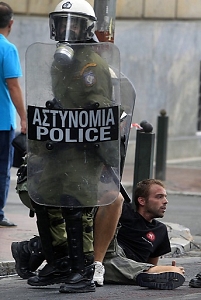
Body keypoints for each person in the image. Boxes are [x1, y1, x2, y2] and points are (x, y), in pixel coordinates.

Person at [18, 0, 122, 294]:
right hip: (57, 143)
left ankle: (81, 269)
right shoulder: (58, 58)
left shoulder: (93, 65)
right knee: (43, 197)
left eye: (74, 23)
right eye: (61, 22)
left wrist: (104, 155)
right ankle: (57, 262)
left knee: (72, 202)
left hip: (81, 146)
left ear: (86, 27)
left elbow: (100, 110)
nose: (67, 29)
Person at [102, 179, 185, 290]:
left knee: (112, 266)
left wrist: (156, 270)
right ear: (142, 201)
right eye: (159, 197)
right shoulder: (125, 213)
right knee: (107, 260)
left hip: (127, 266)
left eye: (165, 197)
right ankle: (154, 272)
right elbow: (108, 198)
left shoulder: (160, 230)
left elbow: (152, 262)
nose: (165, 201)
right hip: (111, 252)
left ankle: (153, 273)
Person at [0, 2, 26, 227]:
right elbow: (13, 86)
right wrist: (24, 117)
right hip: (1, 121)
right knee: (1, 168)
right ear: (11, 23)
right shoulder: (7, 49)